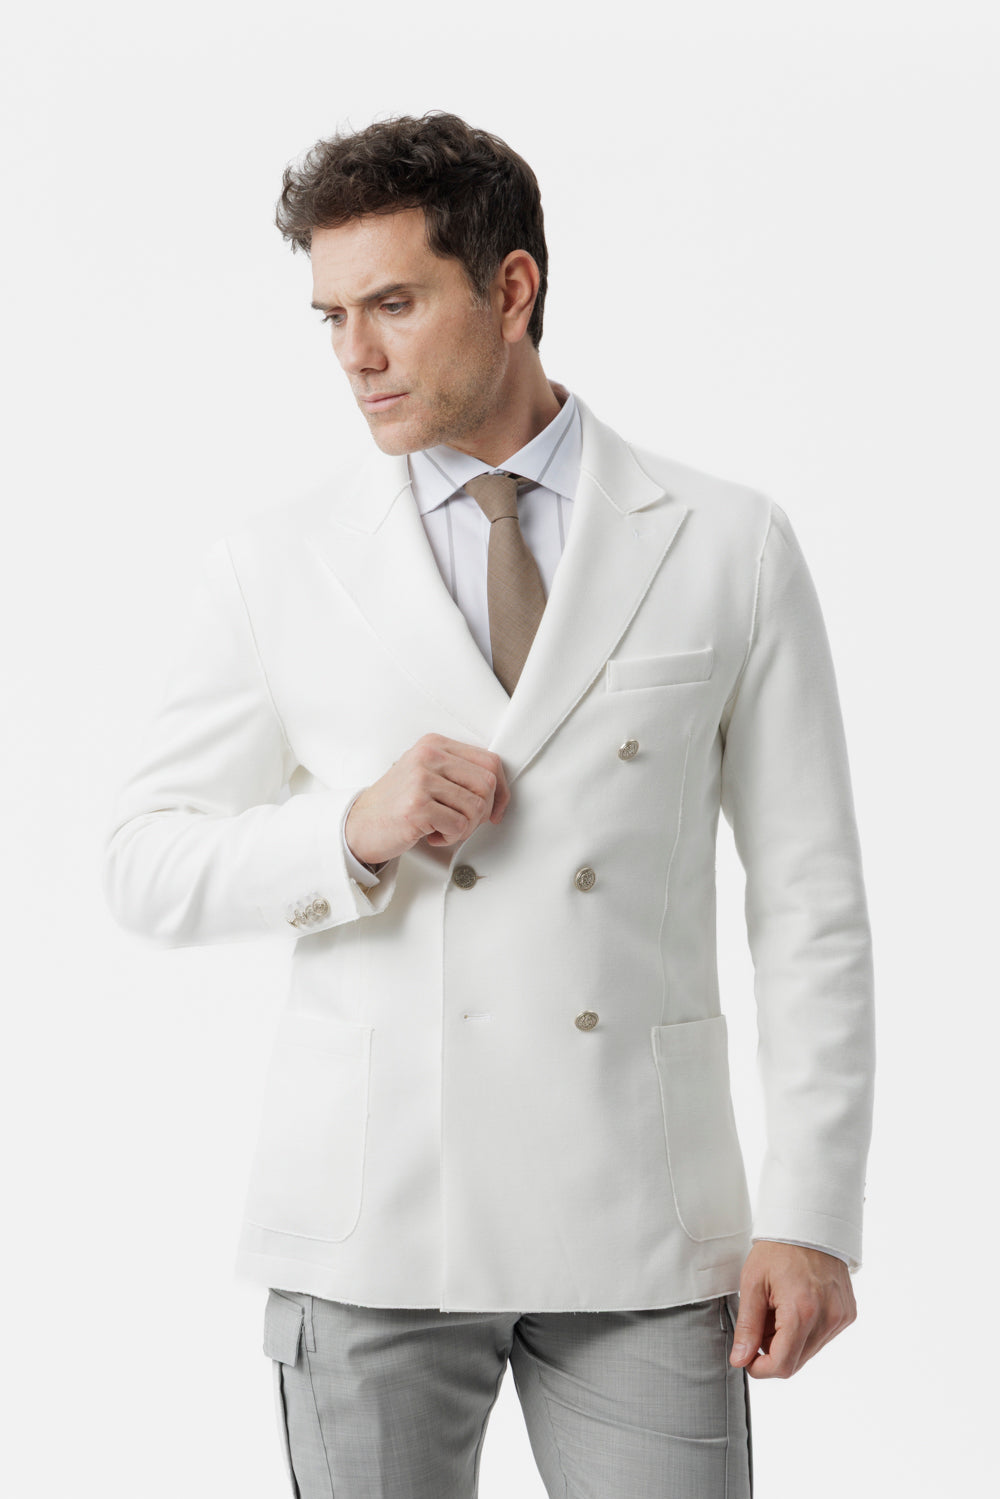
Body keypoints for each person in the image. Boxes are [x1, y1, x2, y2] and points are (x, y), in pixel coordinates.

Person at [103, 111, 875, 1499]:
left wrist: (812, 1213)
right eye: (332, 314)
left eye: (395, 304)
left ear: (511, 289)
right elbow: (144, 864)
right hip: (374, 1231)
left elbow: (811, 902)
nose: (355, 354)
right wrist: (349, 831)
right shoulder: (279, 563)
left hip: (645, 1232)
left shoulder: (725, 542)